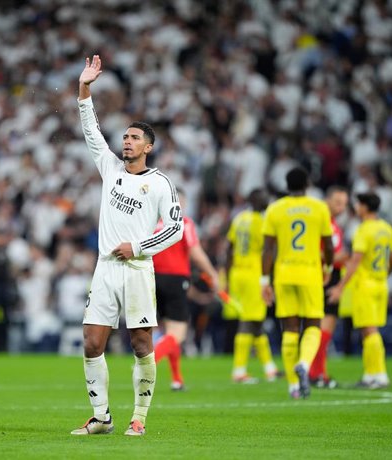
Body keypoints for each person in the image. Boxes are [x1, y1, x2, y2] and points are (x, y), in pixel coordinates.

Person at [71, 55, 184, 437]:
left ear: (148, 147)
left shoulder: (160, 183)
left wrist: (136, 247)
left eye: (135, 138)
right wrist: (84, 87)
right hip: (105, 268)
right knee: (91, 341)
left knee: (140, 343)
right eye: (125, 136)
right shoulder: (110, 167)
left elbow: (175, 229)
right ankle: (102, 417)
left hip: (136, 269)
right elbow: (90, 129)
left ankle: (139, 417)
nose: (126, 141)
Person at [261, 167, 334, 399]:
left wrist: (265, 280)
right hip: (311, 273)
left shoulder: (275, 209)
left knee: (290, 329)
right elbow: (329, 245)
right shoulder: (319, 207)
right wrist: (328, 268)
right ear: (307, 184)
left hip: (284, 274)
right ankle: (304, 363)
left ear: (287, 184)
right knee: (313, 324)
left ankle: (293, 386)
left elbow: (268, 249)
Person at [153, 189, 220, 391]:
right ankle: (148, 365)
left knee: (169, 331)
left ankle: (177, 379)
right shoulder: (184, 222)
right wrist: (213, 274)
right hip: (175, 279)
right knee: (178, 334)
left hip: (153, 278)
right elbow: (196, 253)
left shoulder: (151, 223)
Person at [327, 192, 392, 389]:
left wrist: (340, 287)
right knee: (369, 331)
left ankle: (380, 374)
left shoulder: (364, 230)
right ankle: (369, 374)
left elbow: (355, 261)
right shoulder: (386, 228)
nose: (356, 208)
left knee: (369, 330)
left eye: (358, 205)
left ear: (365, 207)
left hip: (365, 285)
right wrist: (383, 275)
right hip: (381, 283)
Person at [227, 189, 280, 384]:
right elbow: (269, 250)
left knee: (256, 322)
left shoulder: (240, 218)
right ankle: (239, 370)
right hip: (253, 274)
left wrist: (228, 275)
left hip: (237, 272)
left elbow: (229, 248)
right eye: (265, 198)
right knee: (249, 321)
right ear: (257, 200)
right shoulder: (262, 222)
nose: (267, 201)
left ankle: (270, 368)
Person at [309, 186, 349, 388]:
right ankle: (316, 373)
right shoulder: (323, 223)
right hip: (324, 277)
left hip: (329, 276)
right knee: (323, 327)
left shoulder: (332, 224)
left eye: (344, 204)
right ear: (327, 200)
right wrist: (339, 258)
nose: (342, 207)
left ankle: (318, 372)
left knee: (323, 328)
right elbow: (314, 252)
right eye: (338, 202)